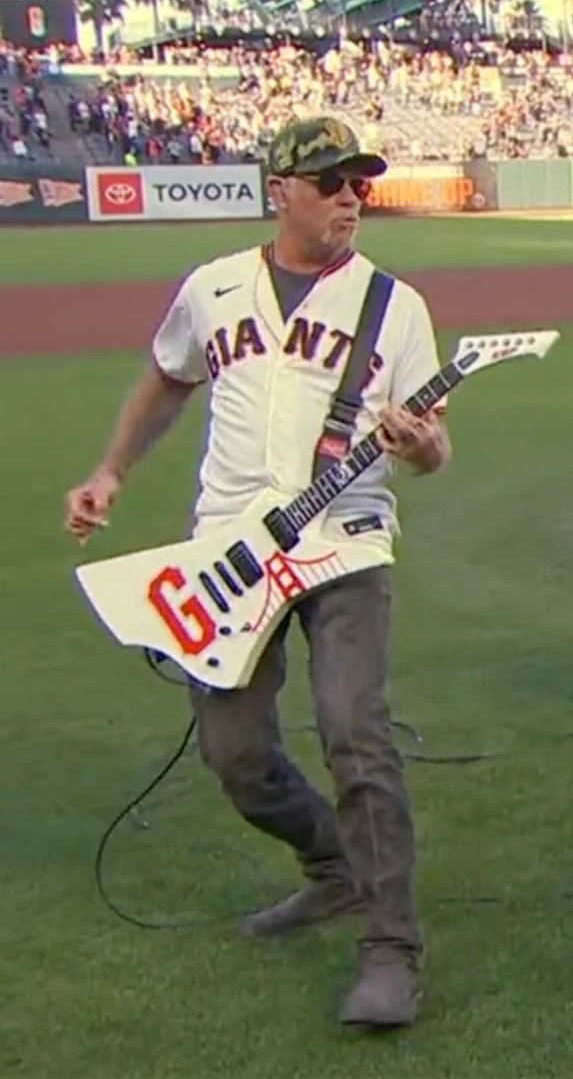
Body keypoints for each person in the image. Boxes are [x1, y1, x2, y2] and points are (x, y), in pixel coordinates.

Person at [63, 115, 450, 1030]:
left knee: (354, 729)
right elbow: (167, 377)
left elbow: (433, 452)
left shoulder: (394, 306)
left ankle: (391, 949)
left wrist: (423, 444)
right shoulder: (214, 288)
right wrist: (111, 470)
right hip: (231, 548)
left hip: (347, 540)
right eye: (330, 182)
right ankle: (332, 869)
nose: (351, 197)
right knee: (234, 753)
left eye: (358, 182)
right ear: (279, 189)